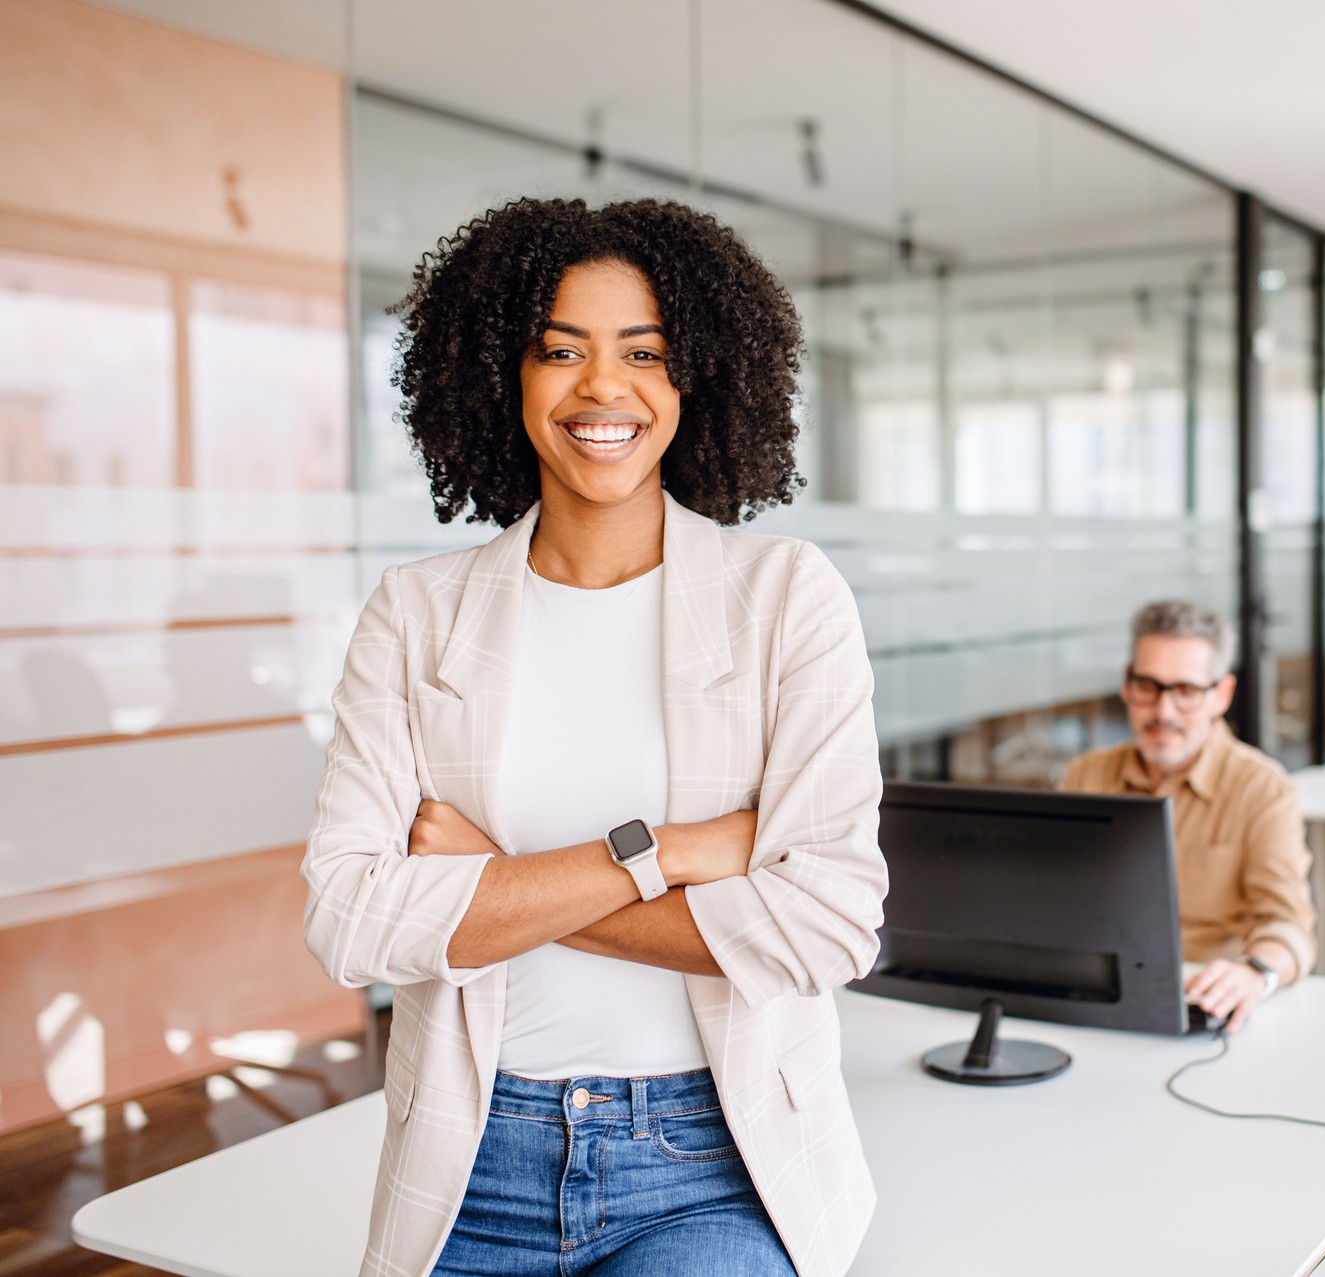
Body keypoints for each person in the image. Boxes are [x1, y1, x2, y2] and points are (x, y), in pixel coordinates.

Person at [302, 197, 887, 1277]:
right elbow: (348, 919)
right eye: (559, 350)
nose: (602, 386)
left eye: (645, 353)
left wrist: (490, 889)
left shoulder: (785, 596)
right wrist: (664, 850)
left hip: (715, 1164)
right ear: (501, 378)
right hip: (469, 1161)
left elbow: (830, 927)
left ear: (695, 379)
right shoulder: (415, 612)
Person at [1060, 600, 1313, 1034]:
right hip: (1096, 999)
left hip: (1204, 1000)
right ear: (1126, 684)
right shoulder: (1087, 775)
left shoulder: (1263, 789)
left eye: (1187, 691)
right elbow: (1056, 901)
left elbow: (1287, 924)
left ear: (1222, 695)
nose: (1163, 712)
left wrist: (1255, 972)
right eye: (1148, 686)